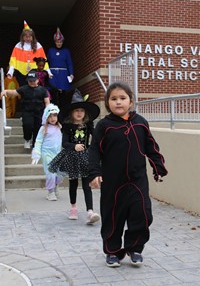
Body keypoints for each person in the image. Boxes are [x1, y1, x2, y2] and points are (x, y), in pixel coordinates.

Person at [88, 81, 168, 267]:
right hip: (113, 182)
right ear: (108, 103)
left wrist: (158, 168)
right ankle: (113, 251)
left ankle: (135, 248)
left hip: (137, 180)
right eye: (113, 99)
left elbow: (151, 147)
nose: (118, 102)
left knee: (143, 214)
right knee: (113, 217)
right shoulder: (104, 126)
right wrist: (94, 173)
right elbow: (94, 151)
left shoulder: (140, 122)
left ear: (130, 101)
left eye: (122, 98)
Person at [48, 89, 100, 224]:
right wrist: (73, 146)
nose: (79, 113)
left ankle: (90, 211)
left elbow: (96, 138)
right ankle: (73, 208)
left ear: (85, 113)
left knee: (86, 183)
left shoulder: (88, 125)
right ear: (72, 113)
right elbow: (64, 143)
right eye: (76, 111)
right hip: (71, 156)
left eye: (81, 111)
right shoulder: (68, 126)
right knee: (73, 183)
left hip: (85, 157)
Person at [0, 70, 50, 149]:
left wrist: (48, 112)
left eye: (34, 81)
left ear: (37, 80)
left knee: (38, 128)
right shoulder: (24, 88)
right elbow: (14, 92)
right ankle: (27, 139)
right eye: (30, 81)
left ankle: (35, 145)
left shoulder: (43, 90)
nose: (32, 82)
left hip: (39, 112)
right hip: (27, 112)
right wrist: (6, 91)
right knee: (27, 125)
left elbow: (47, 102)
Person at [31, 103, 63, 201]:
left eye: (55, 115)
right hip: (47, 153)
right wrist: (36, 153)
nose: (53, 118)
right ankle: (50, 192)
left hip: (58, 153)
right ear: (46, 118)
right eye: (50, 116)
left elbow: (62, 141)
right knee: (51, 173)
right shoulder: (43, 128)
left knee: (60, 173)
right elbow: (38, 141)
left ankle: (55, 186)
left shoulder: (59, 127)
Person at [7, 20, 52, 87]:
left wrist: (48, 72)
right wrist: (10, 72)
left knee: (35, 89)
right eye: (26, 36)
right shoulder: (18, 46)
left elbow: (43, 60)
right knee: (24, 90)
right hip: (21, 73)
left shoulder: (38, 45)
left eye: (30, 36)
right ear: (22, 37)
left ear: (33, 37)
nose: (28, 38)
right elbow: (13, 60)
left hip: (34, 72)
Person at [47, 27, 74, 115]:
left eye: (60, 42)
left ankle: (63, 112)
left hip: (63, 74)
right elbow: (47, 62)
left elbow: (69, 63)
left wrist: (71, 73)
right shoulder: (50, 50)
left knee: (63, 93)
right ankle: (53, 111)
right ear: (55, 42)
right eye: (57, 42)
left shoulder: (66, 51)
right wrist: (47, 72)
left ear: (62, 42)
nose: (59, 43)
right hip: (53, 74)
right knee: (53, 92)